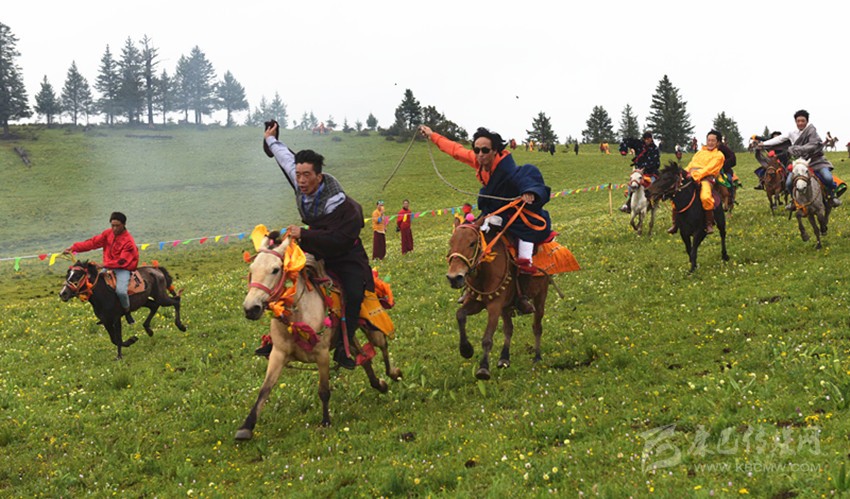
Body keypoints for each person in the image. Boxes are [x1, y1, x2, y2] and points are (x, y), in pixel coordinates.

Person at [262, 120, 374, 370]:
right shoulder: (299, 179)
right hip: (314, 244)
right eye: (298, 175)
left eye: (306, 176)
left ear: (319, 177)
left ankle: (344, 348)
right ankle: (277, 338)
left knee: (354, 293)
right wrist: (270, 139)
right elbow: (284, 157)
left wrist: (303, 234)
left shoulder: (340, 204)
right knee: (285, 273)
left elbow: (337, 239)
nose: (301, 180)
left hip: (345, 252)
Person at [419, 125, 553, 315]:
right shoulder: (480, 162)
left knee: (523, 251)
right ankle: (471, 288)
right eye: (477, 150)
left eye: (485, 150)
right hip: (491, 212)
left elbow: (528, 175)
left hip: (515, 215)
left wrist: (530, 192)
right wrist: (432, 135)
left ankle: (522, 294)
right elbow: (456, 150)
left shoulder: (509, 170)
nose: (480, 154)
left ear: (495, 151)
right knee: (472, 240)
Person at [757, 109, 842, 209]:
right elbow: (778, 139)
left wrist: (797, 148)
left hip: (816, 161)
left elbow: (813, 145)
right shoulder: (791, 133)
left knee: (827, 177)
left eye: (803, 121)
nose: (800, 123)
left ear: (807, 121)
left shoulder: (812, 131)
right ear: (795, 122)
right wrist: (763, 144)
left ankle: (832, 196)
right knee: (789, 183)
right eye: (798, 121)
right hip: (800, 163)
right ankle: (794, 201)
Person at [64, 212, 139, 324]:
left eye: (117, 226)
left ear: (124, 225)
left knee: (121, 291)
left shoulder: (129, 242)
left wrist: (104, 265)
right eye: (112, 225)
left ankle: (127, 312)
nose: (114, 228)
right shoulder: (108, 234)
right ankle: (104, 314)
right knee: (95, 285)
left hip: (123, 268)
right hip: (108, 266)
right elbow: (92, 243)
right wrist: (73, 248)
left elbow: (122, 261)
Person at [668, 130, 725, 235]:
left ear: (718, 143)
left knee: (705, 197)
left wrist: (695, 175)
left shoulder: (719, 155)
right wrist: (683, 173)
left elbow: (709, 169)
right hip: (691, 176)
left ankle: (708, 223)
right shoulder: (699, 153)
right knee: (677, 194)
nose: (710, 143)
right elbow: (691, 165)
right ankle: (675, 223)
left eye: (713, 141)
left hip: (706, 179)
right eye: (708, 140)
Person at [620, 132, 661, 213]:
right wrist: (623, 149)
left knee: (653, 186)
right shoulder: (639, 144)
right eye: (645, 139)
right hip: (638, 171)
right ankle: (627, 204)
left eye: (648, 139)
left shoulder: (655, 149)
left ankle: (653, 203)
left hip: (651, 172)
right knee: (631, 185)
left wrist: (645, 168)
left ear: (651, 139)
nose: (647, 141)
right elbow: (626, 141)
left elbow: (656, 163)